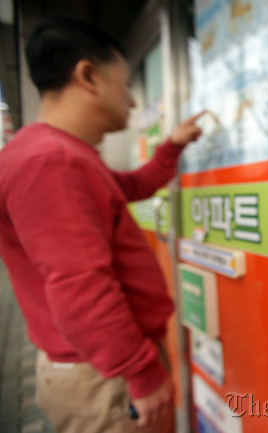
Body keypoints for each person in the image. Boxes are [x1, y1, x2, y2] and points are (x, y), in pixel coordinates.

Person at [0, 18, 204, 433]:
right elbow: (81, 286)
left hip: (104, 366)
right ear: (88, 75)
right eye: (127, 85)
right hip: (106, 379)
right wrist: (142, 373)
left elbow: (131, 185)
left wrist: (173, 145)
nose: (131, 102)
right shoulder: (51, 163)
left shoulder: (62, 155)